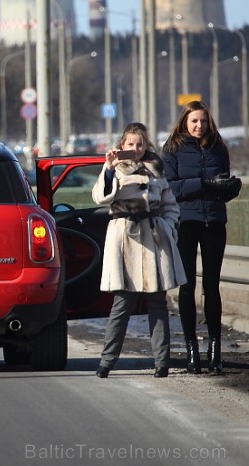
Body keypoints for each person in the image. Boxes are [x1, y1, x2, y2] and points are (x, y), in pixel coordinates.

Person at [93, 122, 186, 378]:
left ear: (147, 145)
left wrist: (167, 227)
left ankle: (162, 362)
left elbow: (170, 205)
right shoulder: (114, 167)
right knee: (122, 303)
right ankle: (107, 361)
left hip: (155, 240)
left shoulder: (157, 170)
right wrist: (110, 169)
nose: (135, 148)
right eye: (130, 144)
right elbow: (100, 197)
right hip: (125, 240)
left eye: (140, 143)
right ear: (122, 145)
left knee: (158, 302)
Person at [162, 100, 241, 375]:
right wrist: (204, 184)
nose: (199, 126)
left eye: (203, 121)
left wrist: (231, 188)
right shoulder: (172, 149)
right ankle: (191, 350)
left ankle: (215, 350)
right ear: (185, 121)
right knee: (187, 287)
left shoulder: (218, 147)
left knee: (211, 286)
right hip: (186, 222)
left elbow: (223, 182)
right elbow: (171, 188)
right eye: (194, 121)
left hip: (214, 222)